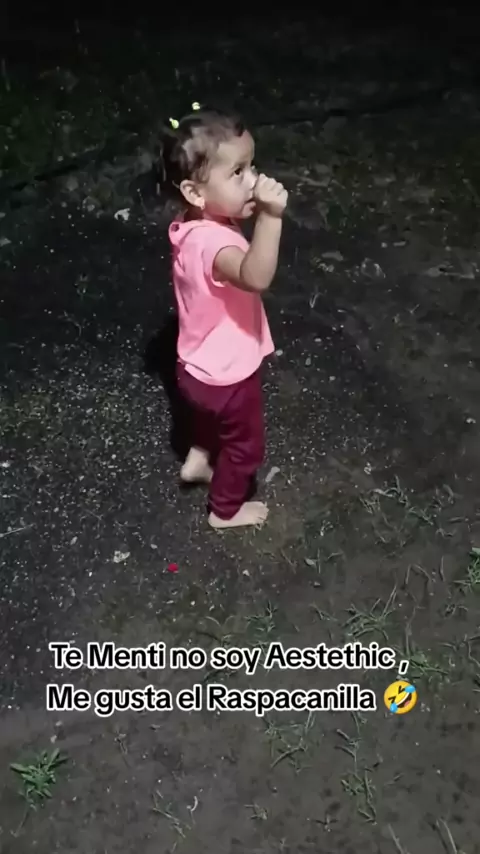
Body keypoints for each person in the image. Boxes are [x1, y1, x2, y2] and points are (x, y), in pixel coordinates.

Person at [158, 103, 288, 529]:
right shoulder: (217, 248)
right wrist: (271, 216)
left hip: (195, 368)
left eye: (252, 166)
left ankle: (198, 458)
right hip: (228, 376)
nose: (253, 180)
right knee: (245, 447)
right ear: (195, 192)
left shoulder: (191, 225)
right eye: (238, 172)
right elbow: (255, 276)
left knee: (209, 418)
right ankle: (224, 510)